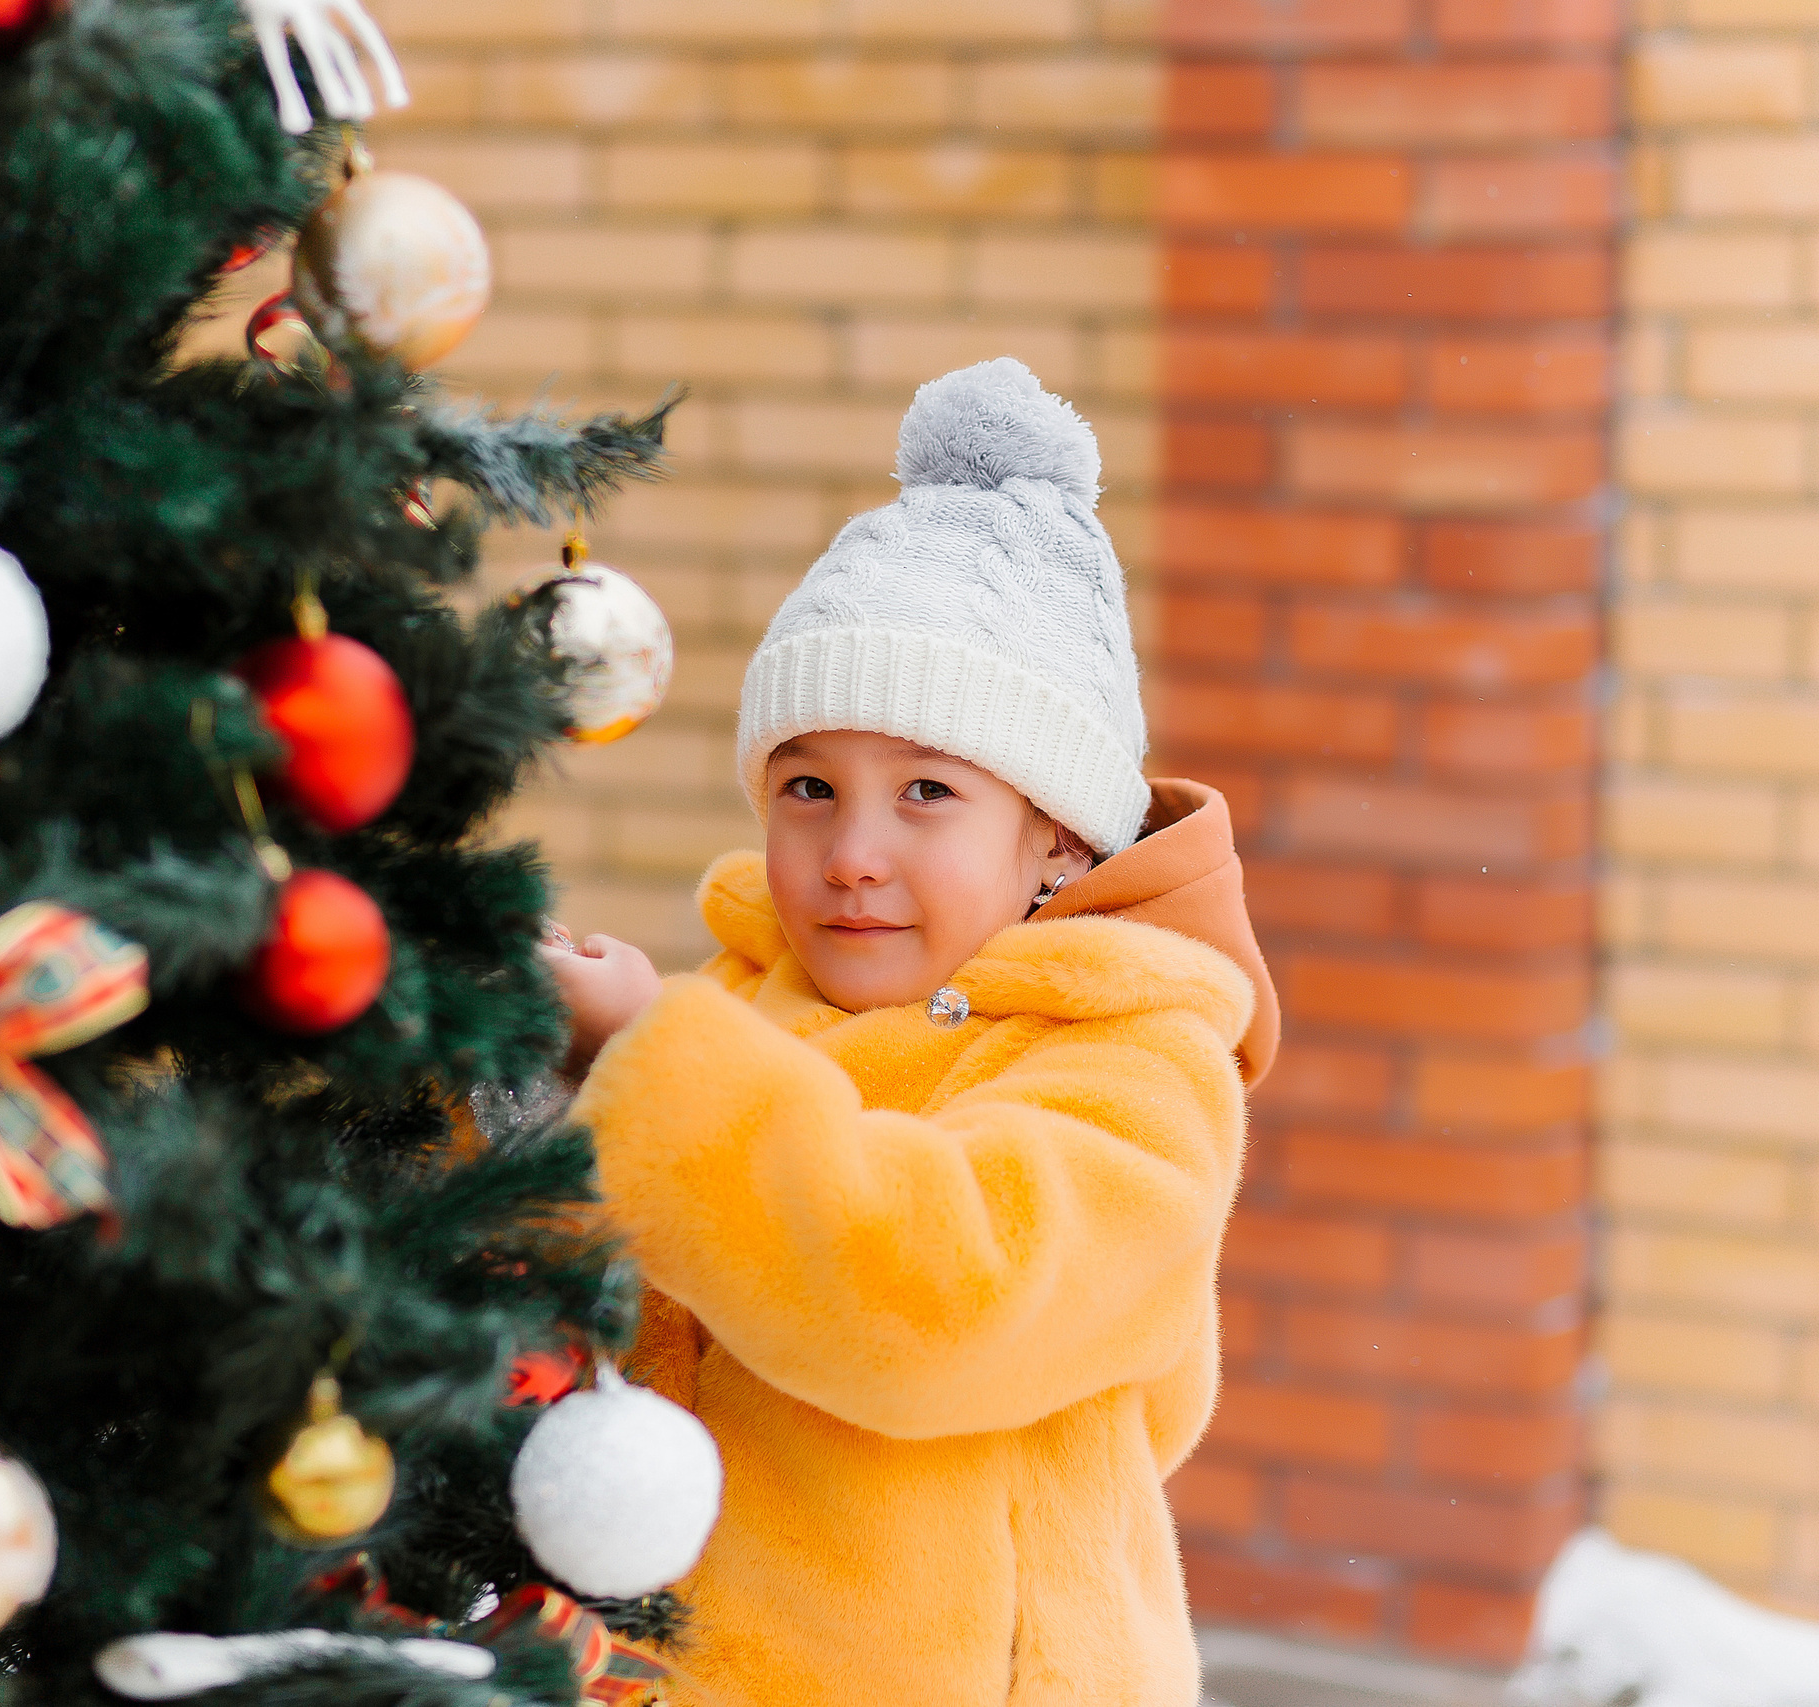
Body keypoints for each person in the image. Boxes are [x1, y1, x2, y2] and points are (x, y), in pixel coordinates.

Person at [544, 358, 1281, 1707]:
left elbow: (942, 1304)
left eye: (927, 792)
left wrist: (648, 1067)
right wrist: (518, 1084)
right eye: (808, 788)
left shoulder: (1135, 1066)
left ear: (1055, 838)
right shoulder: (739, 1010)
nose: (852, 854)